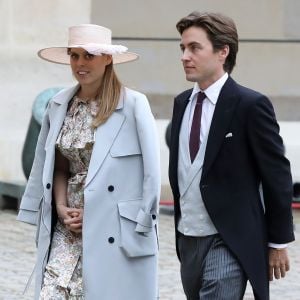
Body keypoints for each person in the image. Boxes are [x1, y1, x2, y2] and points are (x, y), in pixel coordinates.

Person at [17, 24, 160, 300]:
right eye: (75, 55)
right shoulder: (59, 104)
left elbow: (151, 174)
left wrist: (107, 218)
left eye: (89, 55)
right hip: (67, 228)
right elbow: (58, 167)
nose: (80, 63)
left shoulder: (134, 104)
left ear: (108, 59)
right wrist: (60, 208)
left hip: (114, 230)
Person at [168, 11, 295, 300]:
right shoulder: (181, 103)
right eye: (183, 48)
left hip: (230, 239)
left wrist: (278, 241)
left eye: (194, 48)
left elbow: (276, 174)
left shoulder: (250, 105)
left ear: (222, 51)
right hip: (188, 237)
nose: (185, 56)